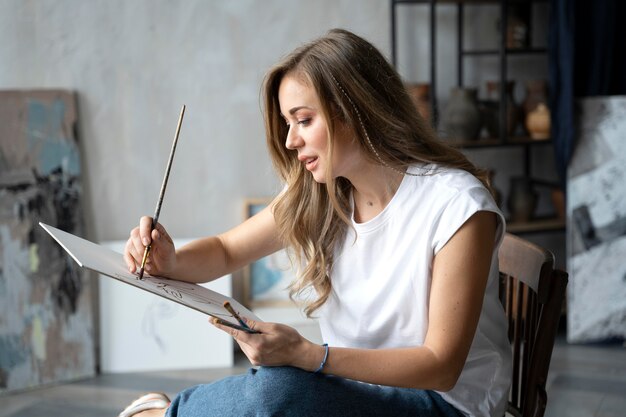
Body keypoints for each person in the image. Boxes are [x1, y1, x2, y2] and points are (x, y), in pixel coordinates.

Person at [120, 28, 512, 417]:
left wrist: (307, 355)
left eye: (303, 120)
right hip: (357, 392)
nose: (290, 141)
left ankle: (164, 415)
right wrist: (169, 261)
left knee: (279, 389)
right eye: (288, 124)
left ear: (354, 111)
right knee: (279, 386)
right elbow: (225, 251)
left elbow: (441, 366)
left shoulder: (456, 205)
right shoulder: (325, 195)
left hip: (444, 406)